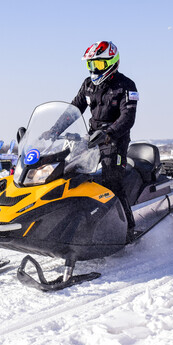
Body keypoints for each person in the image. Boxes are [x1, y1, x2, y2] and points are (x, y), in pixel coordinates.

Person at [42, 41, 138, 243]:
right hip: (92, 137)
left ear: (112, 63)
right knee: (68, 173)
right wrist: (54, 131)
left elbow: (127, 117)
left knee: (112, 180)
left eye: (99, 65)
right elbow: (73, 110)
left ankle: (129, 229)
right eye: (91, 65)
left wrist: (109, 133)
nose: (94, 69)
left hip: (115, 140)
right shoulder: (88, 84)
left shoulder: (126, 86)